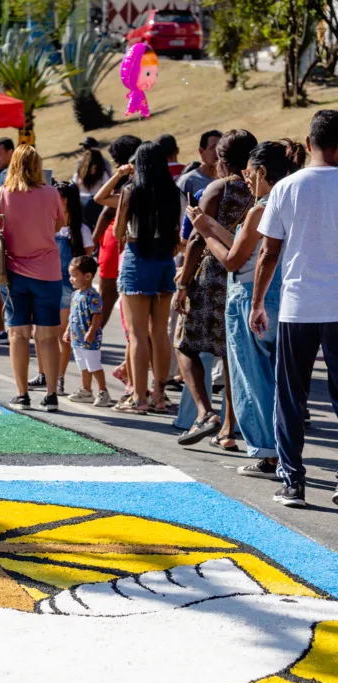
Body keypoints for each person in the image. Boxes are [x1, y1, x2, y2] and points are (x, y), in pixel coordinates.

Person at [187, 139, 305, 480]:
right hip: (281, 295)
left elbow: (233, 259)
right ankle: (281, 451)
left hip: (248, 296)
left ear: (263, 172)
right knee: (278, 379)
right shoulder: (288, 203)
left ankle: (267, 453)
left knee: (251, 379)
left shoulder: (259, 209)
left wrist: (203, 233)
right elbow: (245, 244)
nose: (245, 178)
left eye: (249, 174)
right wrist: (209, 226)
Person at [251, 110, 338, 507]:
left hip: (298, 307)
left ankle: (293, 482)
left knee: (290, 397)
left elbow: (269, 253)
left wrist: (256, 302)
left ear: (308, 144)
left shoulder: (287, 187)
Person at [175, 129, 257, 443]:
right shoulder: (259, 190)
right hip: (245, 275)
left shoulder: (218, 188)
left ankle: (204, 412)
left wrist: (183, 281)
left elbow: (196, 237)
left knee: (185, 344)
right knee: (231, 354)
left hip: (211, 275)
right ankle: (228, 429)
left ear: (221, 160)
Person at [102, 141, 183, 415]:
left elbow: (117, 233)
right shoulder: (176, 193)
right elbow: (177, 236)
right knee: (160, 333)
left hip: (137, 258)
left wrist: (120, 175)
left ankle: (139, 397)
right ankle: (160, 394)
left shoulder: (131, 192)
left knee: (137, 335)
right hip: (164, 262)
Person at [0, 145, 64, 411]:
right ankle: (52, 394)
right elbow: (58, 224)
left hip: (13, 273)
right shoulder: (52, 193)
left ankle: (22, 394)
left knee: (18, 334)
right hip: (48, 272)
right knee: (48, 335)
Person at [45, 181, 94, 395]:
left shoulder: (81, 230)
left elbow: (88, 261)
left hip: (68, 289)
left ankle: (59, 378)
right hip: (46, 283)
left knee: (62, 336)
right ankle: (45, 374)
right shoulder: (46, 223)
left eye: (59, 197)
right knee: (44, 334)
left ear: (68, 201)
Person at [93, 135, 143, 329]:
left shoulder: (128, 181)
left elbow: (106, 213)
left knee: (109, 294)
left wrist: (92, 242)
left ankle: (93, 334)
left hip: (115, 238)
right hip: (127, 241)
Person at [63, 255, 112, 406]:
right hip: (77, 338)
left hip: (89, 339)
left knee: (93, 365)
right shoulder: (76, 294)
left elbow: (97, 315)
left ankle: (103, 392)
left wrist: (92, 331)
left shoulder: (93, 296)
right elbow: (73, 315)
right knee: (82, 365)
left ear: (88, 276)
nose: (71, 279)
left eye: (74, 275)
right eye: (70, 275)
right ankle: (86, 390)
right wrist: (67, 330)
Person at [73, 145, 111, 228]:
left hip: (83, 203)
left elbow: (74, 186)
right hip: (95, 203)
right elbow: (109, 187)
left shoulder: (79, 173)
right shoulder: (102, 173)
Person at [177, 130, 222, 198]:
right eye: (213, 147)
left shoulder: (227, 178)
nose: (218, 152)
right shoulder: (188, 181)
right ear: (201, 151)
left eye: (221, 147)